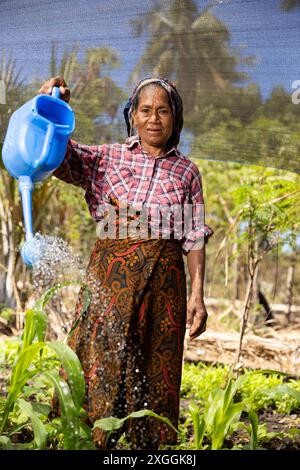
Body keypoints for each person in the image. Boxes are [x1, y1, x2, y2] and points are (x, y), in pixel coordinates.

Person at [38, 76, 214, 450]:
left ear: (174, 118)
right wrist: (54, 110)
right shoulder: (106, 157)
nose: (154, 119)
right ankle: (84, 440)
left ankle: (148, 450)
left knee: (155, 365)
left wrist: (198, 296)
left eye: (163, 110)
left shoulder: (187, 172)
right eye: (146, 110)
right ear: (132, 116)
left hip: (164, 283)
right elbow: (58, 158)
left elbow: (194, 236)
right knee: (97, 355)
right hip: (109, 277)